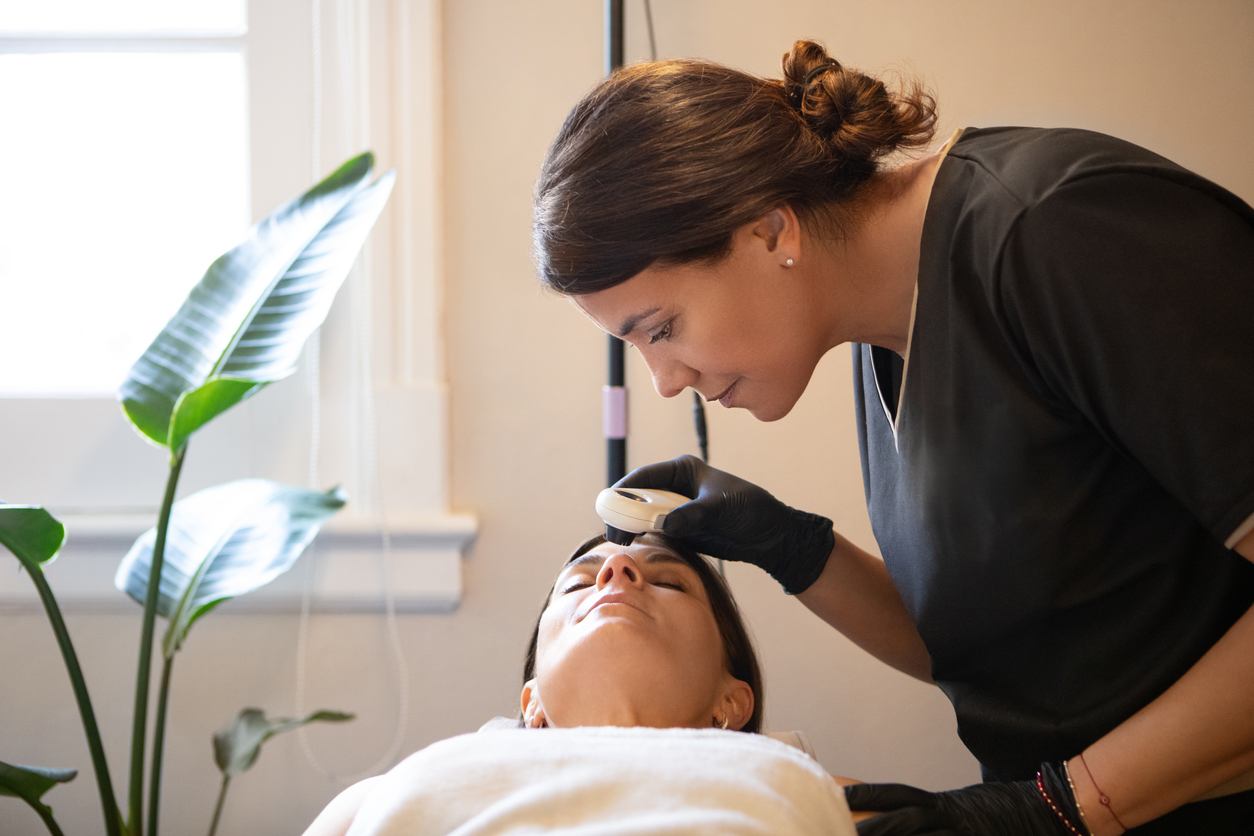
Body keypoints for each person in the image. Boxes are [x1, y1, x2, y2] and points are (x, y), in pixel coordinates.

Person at [532, 39, 1254, 836]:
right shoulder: (882, 331)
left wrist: (1060, 809)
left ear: (770, 230)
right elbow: (996, 647)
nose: (666, 380)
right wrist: (794, 548)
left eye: (662, 328)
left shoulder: (1055, 233)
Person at [301, 533, 862, 836]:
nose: (616, 572)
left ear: (733, 702)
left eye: (667, 579)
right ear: (532, 702)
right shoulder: (381, 796)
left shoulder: (823, 795)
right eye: (578, 585)